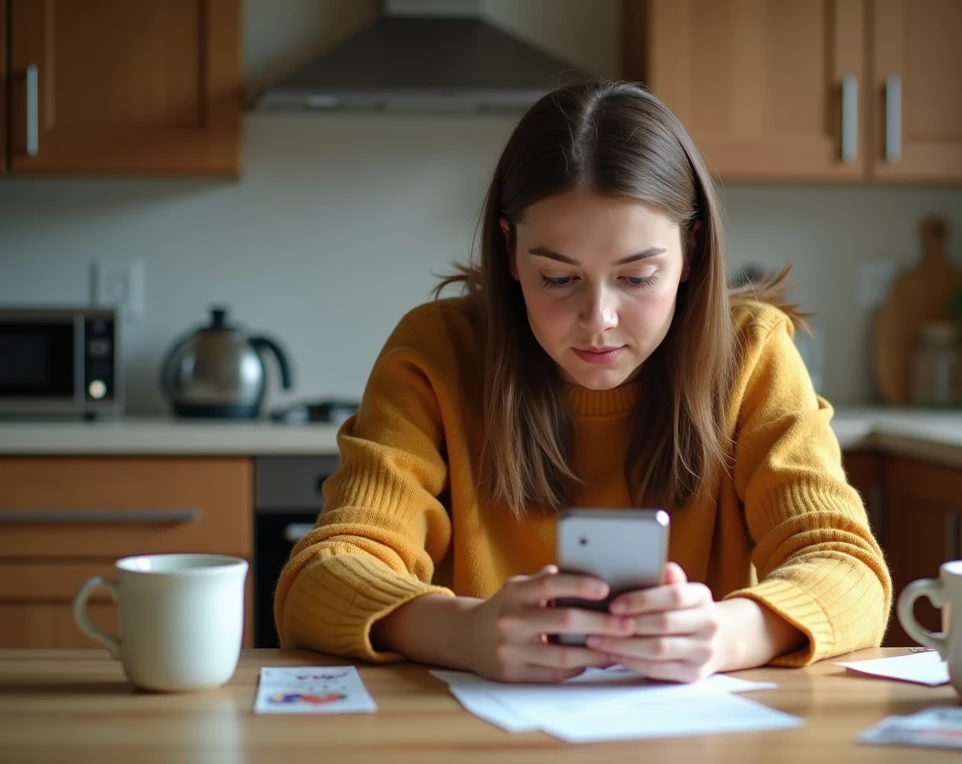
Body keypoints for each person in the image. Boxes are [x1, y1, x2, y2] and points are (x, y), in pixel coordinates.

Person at [275, 80, 892, 684]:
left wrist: (727, 634)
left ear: (692, 252)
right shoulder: (437, 352)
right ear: (510, 251)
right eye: (559, 279)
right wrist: (462, 632)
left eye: (638, 277)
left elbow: (848, 570)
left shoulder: (751, 353)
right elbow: (321, 578)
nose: (599, 320)